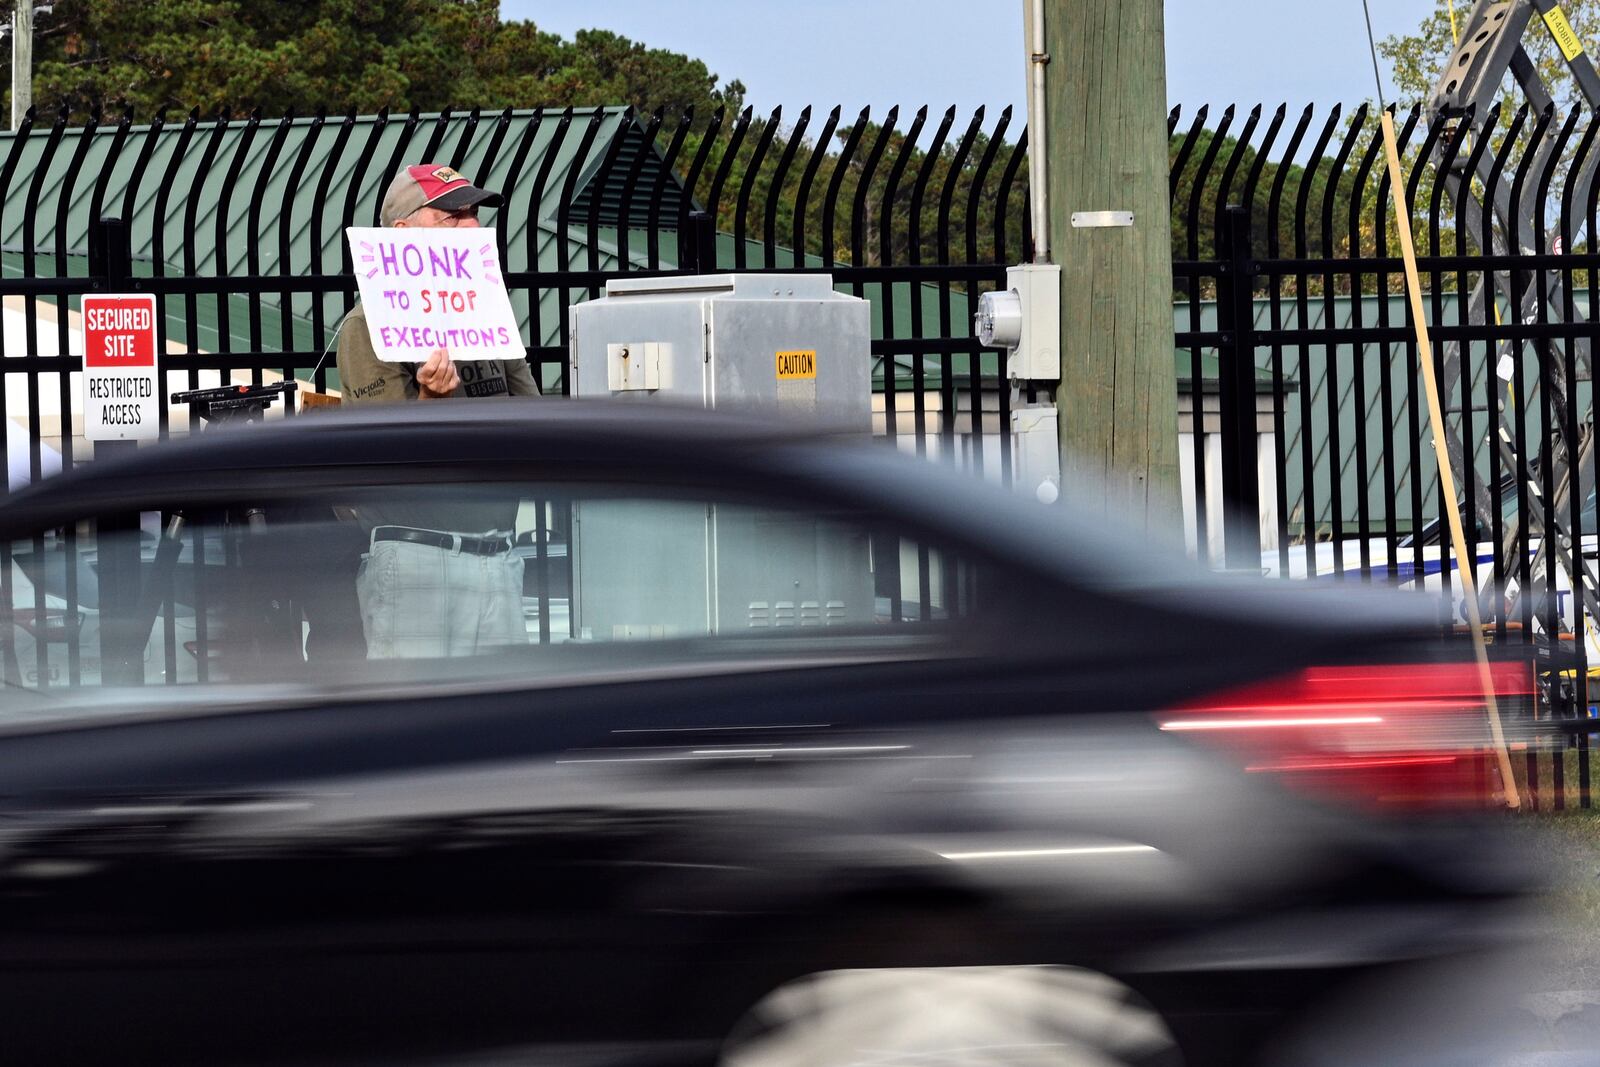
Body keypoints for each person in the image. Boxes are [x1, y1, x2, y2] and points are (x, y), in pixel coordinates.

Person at [335, 163, 537, 659]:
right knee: (414, 725)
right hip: (418, 556)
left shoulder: (488, 314)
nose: (472, 226)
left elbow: (531, 419)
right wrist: (430, 403)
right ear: (401, 233)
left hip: (496, 549)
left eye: (473, 213)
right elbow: (381, 459)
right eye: (452, 216)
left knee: (505, 725)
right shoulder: (368, 326)